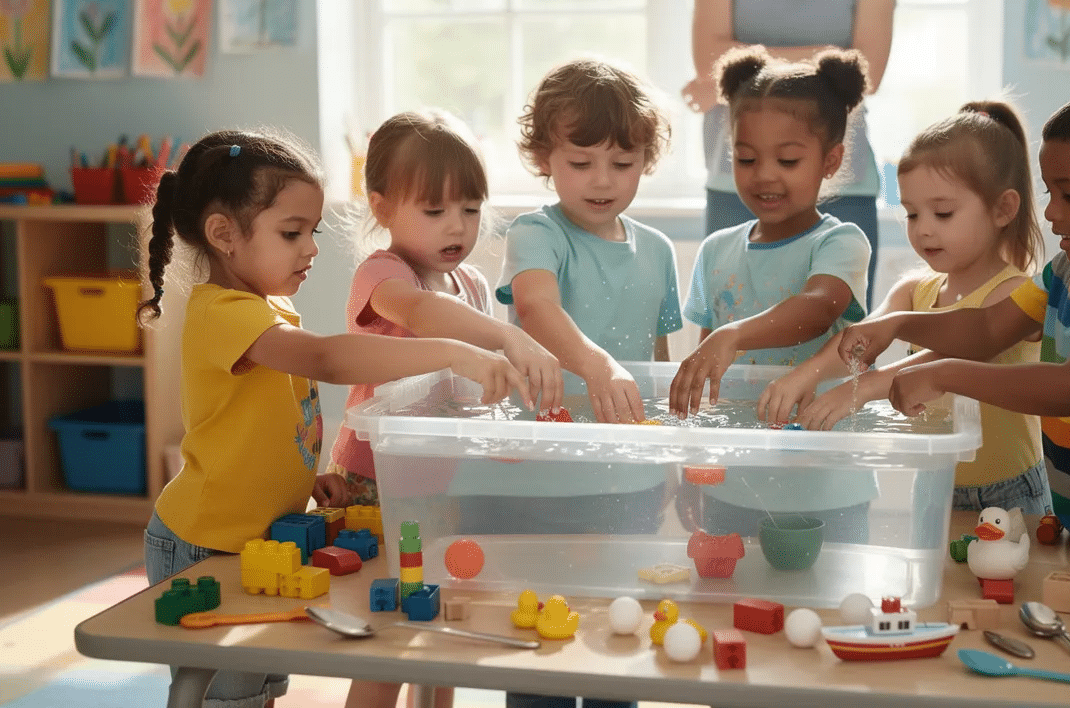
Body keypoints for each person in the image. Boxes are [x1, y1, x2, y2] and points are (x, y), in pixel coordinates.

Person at [138, 130, 527, 708]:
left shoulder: (270, 306)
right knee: (225, 694)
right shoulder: (222, 313)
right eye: (291, 233)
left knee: (262, 682)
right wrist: (452, 351)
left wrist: (302, 480)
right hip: (203, 542)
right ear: (223, 235)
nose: (311, 249)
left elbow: (266, 421)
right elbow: (327, 357)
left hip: (259, 538)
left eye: (312, 232)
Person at [839, 75, 1070, 616]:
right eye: (1049, 193)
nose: (1049, 213)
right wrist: (899, 323)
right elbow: (987, 328)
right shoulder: (1068, 270)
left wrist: (942, 373)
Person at [330, 109, 564, 708]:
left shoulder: (473, 288)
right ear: (381, 208)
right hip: (375, 484)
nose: (457, 226)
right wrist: (505, 338)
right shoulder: (382, 275)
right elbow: (419, 314)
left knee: (441, 624)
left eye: (469, 207)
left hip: (447, 481)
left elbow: (483, 390)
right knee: (387, 635)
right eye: (434, 211)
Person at [491, 57, 681, 708]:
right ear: (544, 158)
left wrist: (664, 463)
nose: (603, 181)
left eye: (622, 164)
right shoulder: (536, 233)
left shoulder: (657, 250)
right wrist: (596, 363)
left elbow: (656, 361)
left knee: (615, 641)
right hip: (542, 479)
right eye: (581, 163)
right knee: (540, 651)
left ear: (646, 160)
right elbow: (538, 307)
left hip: (625, 480)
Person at [759, 101, 1051, 515]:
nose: (924, 228)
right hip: (936, 480)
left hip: (1010, 492)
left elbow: (957, 354)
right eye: (913, 214)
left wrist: (859, 392)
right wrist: (808, 374)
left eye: (943, 212)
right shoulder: (915, 290)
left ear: (1003, 209)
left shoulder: (1016, 295)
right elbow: (859, 340)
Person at [670, 46, 872, 543]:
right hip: (733, 488)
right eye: (745, 158)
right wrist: (694, 466)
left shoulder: (840, 242)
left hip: (827, 489)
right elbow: (705, 383)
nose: (764, 175)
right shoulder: (717, 252)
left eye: (787, 159)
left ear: (830, 160)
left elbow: (819, 308)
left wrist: (733, 335)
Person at [684, 0, 895, 308]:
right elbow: (708, 60)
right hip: (732, 186)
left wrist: (744, 55)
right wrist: (831, 54)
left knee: (839, 330)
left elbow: (868, 72)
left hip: (847, 188)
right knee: (729, 313)